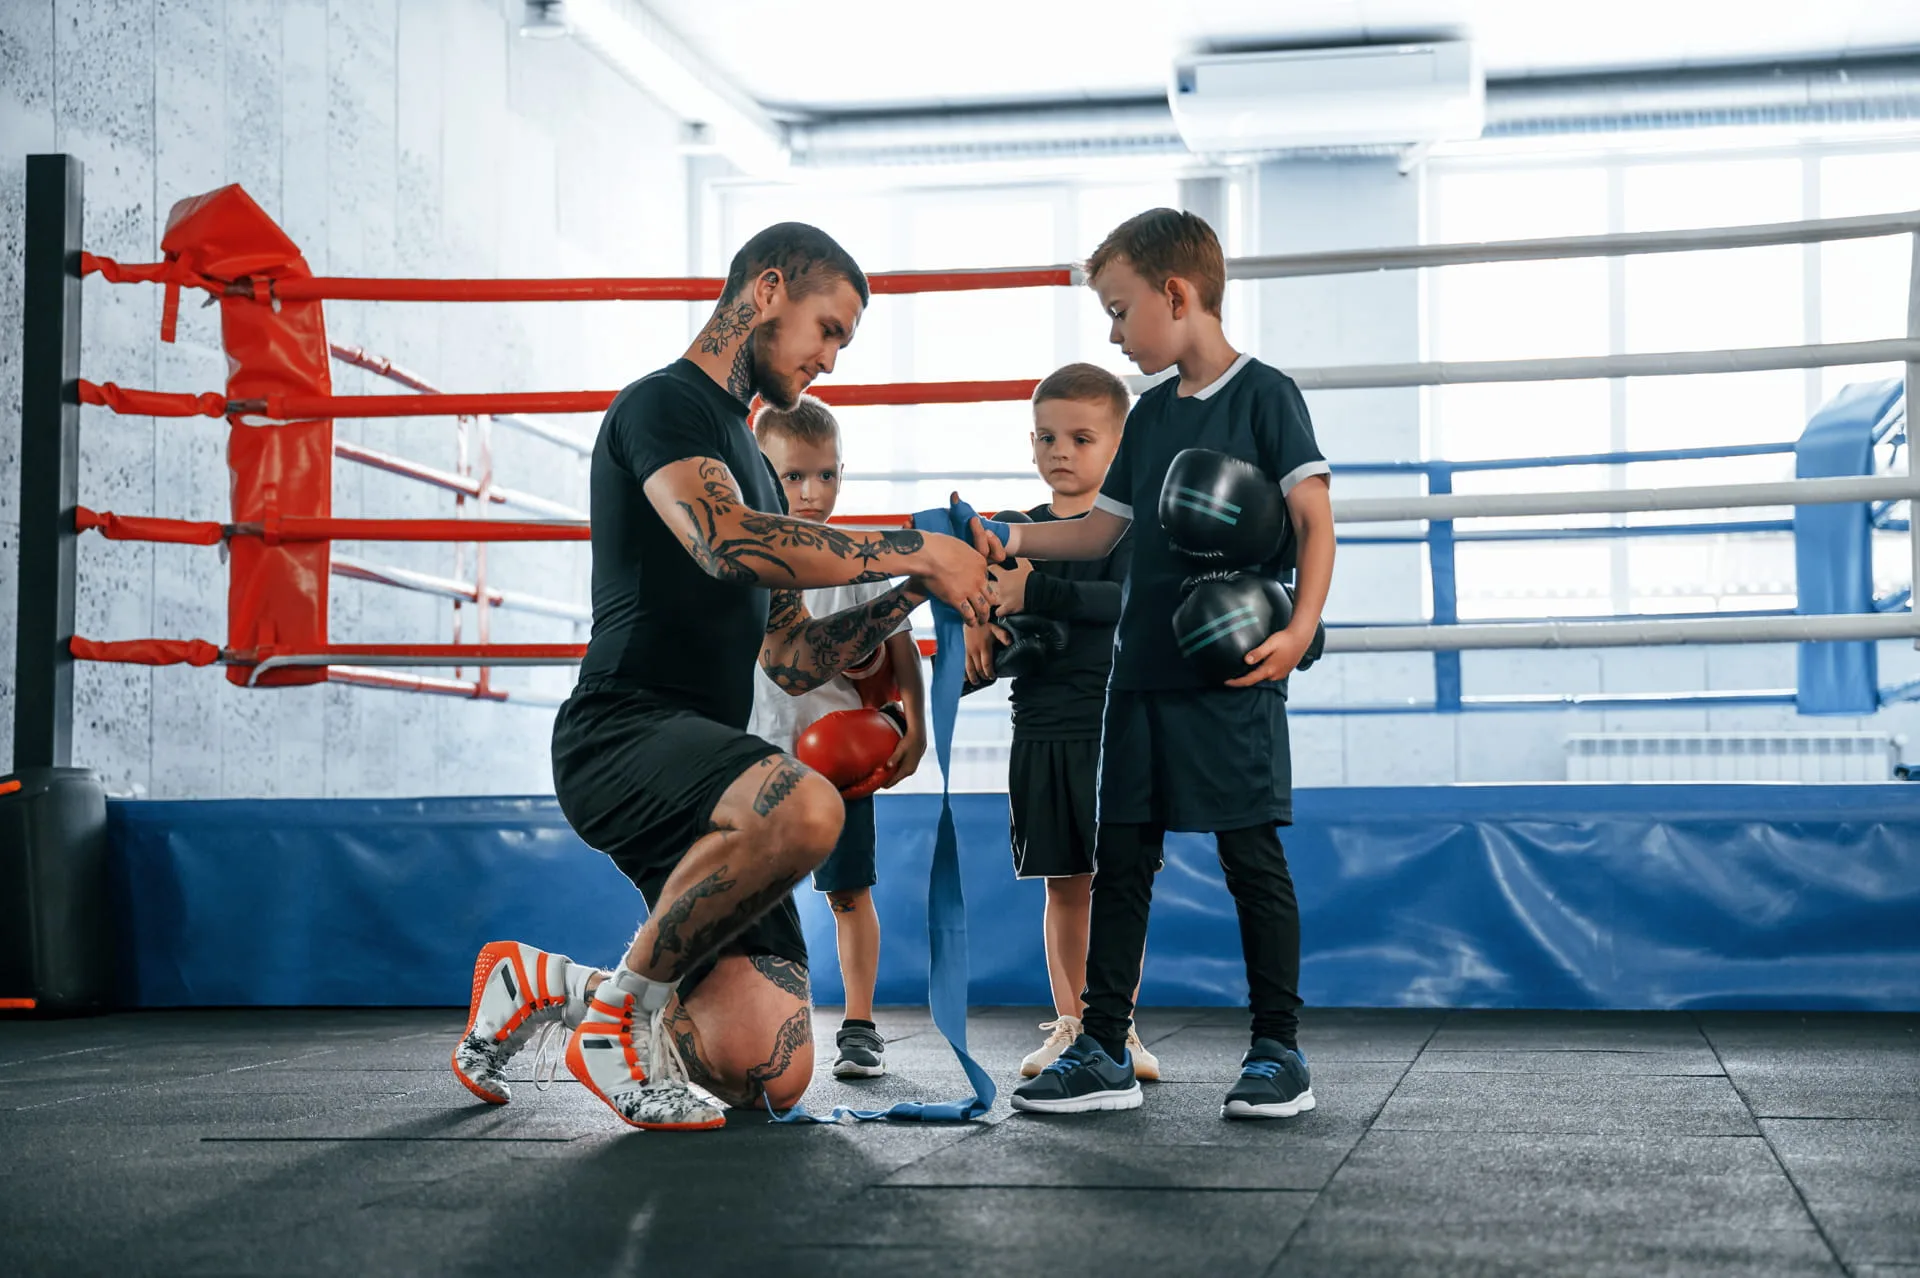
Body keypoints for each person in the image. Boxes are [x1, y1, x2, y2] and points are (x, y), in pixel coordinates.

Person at [449, 223, 990, 1131]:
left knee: (765, 1068)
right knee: (810, 807)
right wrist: (914, 542)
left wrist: (911, 590)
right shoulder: (661, 405)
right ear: (767, 289)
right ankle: (619, 1025)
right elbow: (721, 540)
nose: (830, 358)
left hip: (708, 760)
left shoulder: (755, 465)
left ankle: (546, 985)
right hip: (621, 734)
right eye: (828, 330)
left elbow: (789, 655)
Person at [968, 208, 1336, 1119]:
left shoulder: (1266, 396)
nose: (1114, 332)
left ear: (1177, 295)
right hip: (1139, 678)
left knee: (1251, 857)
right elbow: (1100, 528)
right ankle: (1100, 1048)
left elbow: (1314, 521)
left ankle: (1278, 1053)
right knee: (1121, 858)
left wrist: (1300, 630)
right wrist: (1010, 534)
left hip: (1232, 676)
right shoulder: (1155, 416)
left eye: (1121, 310)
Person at [961, 364, 1159, 1082]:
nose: (1061, 451)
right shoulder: (1016, 533)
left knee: (1119, 880)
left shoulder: (1129, 533)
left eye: (1081, 436)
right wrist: (980, 637)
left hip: (1114, 725)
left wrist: (1036, 588)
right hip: (1040, 725)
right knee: (1063, 882)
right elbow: (991, 620)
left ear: (1120, 445)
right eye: (1047, 436)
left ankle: (1118, 1029)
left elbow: (1124, 604)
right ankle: (1074, 1024)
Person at [745, 393, 927, 1080]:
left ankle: (859, 1024)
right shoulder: (740, 564)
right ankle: (761, 1020)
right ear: (760, 472)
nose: (812, 492)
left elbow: (902, 648)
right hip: (757, 753)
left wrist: (917, 730)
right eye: (793, 477)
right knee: (750, 895)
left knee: (849, 893)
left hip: (837, 759)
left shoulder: (854, 562)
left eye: (826, 475)